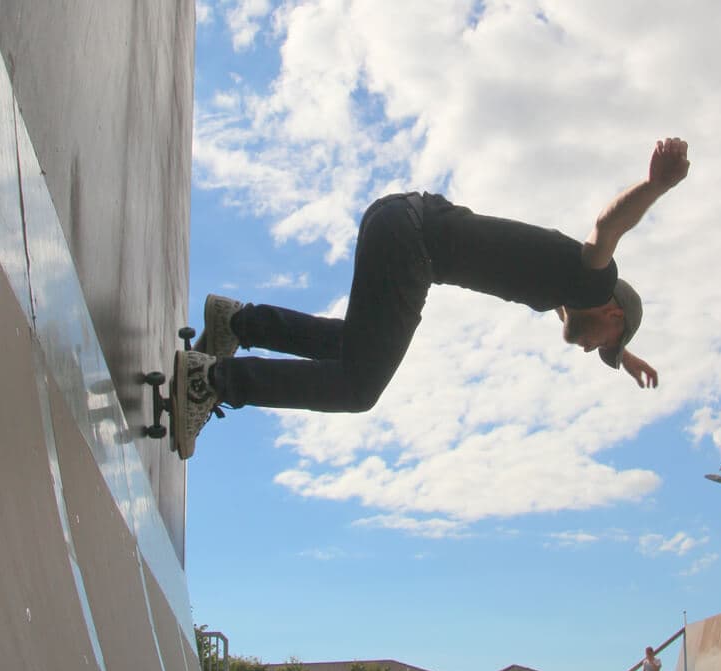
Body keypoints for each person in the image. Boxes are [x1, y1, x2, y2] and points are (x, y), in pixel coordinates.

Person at [171, 139, 691, 458]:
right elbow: (606, 229)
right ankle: (209, 382)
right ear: (611, 311)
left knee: (354, 346)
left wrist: (622, 353)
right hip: (411, 249)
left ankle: (236, 322)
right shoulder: (592, 281)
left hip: (398, 217)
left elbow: (578, 318)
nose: (589, 349)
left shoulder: (566, 290)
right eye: (604, 342)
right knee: (358, 387)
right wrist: (656, 185)